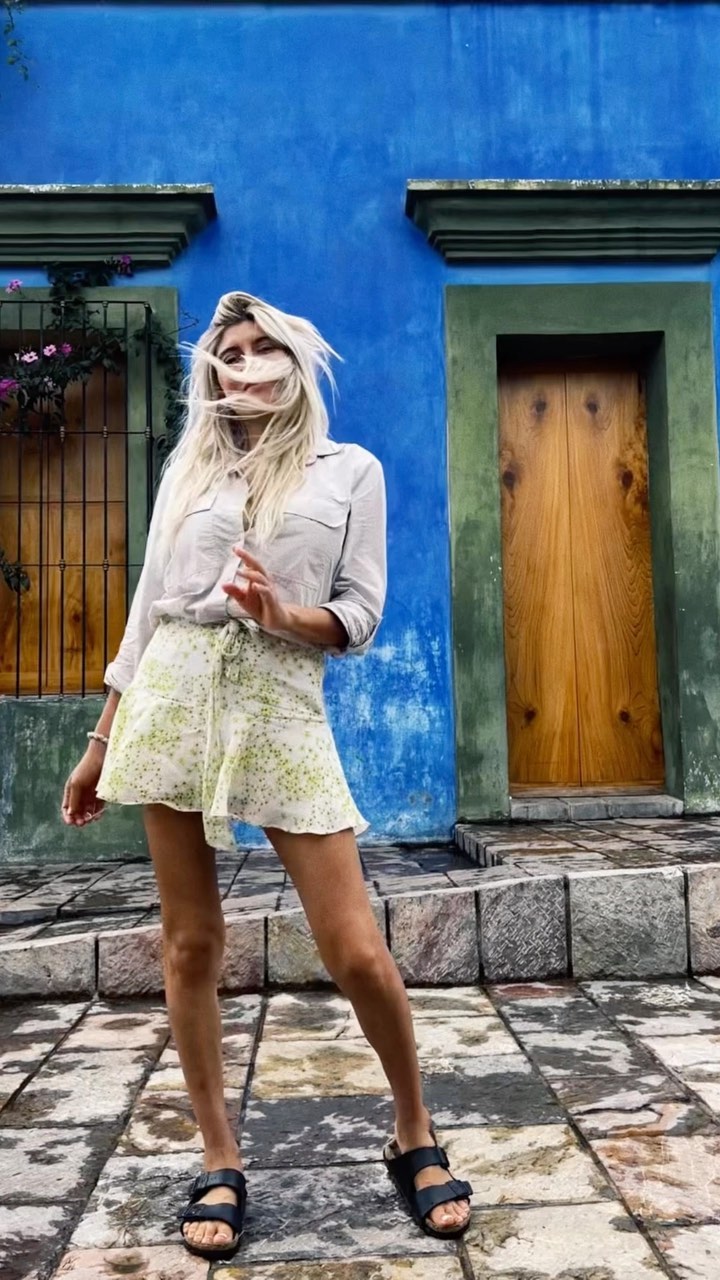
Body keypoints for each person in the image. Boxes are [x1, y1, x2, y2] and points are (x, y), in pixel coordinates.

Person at [60, 291, 473, 1261]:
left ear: (294, 359)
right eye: (228, 352)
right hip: (172, 697)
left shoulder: (350, 470)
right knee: (189, 944)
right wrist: (101, 738)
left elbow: (360, 612)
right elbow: (147, 611)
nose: (243, 363)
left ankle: (413, 1129)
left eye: (260, 347)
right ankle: (219, 1155)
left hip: (282, 696)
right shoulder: (188, 469)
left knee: (355, 948)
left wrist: (282, 613)